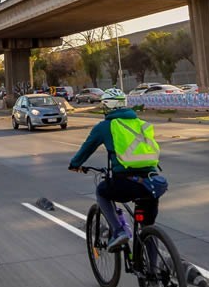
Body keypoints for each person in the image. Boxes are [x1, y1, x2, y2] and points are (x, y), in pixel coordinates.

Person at [68, 88, 164, 252]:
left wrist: (75, 164)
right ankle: (153, 271)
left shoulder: (106, 126)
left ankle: (119, 231)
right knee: (147, 226)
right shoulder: (140, 124)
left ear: (108, 106)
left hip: (126, 183)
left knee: (102, 191)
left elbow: (87, 148)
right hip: (153, 182)